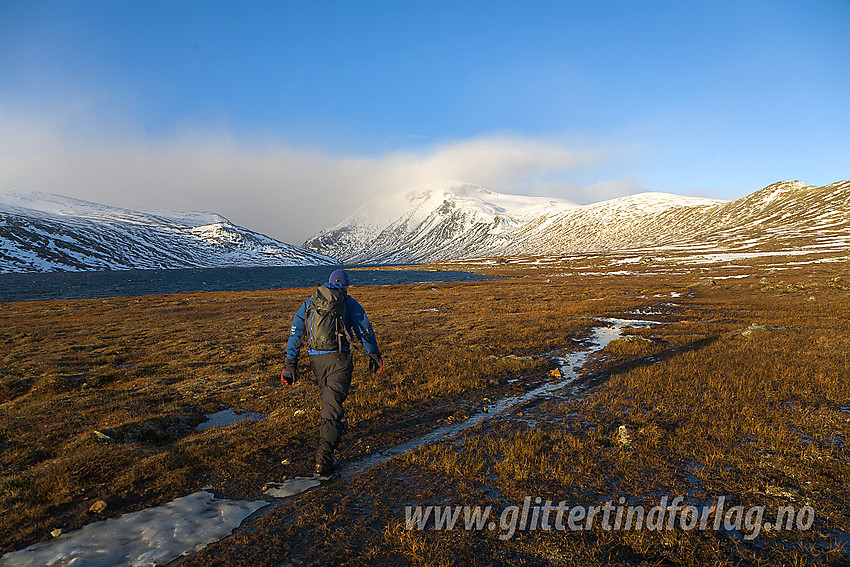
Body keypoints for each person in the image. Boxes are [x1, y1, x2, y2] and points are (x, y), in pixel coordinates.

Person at [282, 268, 383, 475]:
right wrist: (373, 354)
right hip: (340, 360)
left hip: (316, 359)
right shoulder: (348, 302)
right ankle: (324, 459)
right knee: (332, 408)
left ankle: (336, 427)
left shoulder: (310, 302)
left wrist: (290, 364)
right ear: (346, 286)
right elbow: (364, 329)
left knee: (330, 401)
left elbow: (295, 332)